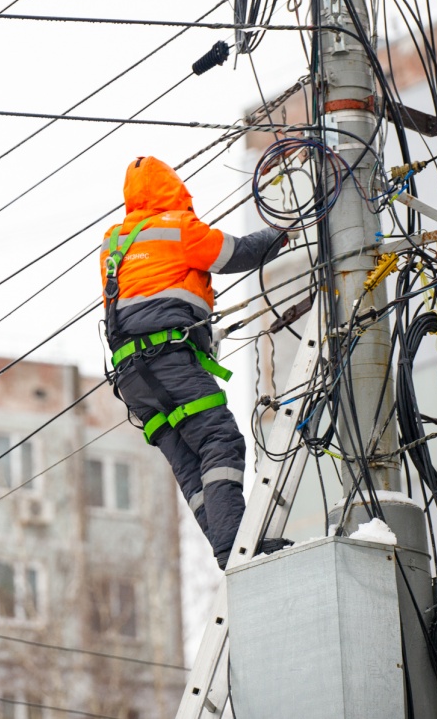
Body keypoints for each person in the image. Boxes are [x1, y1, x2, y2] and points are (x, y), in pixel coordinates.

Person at [100, 156, 290, 570]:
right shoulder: (177, 228)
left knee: (190, 462)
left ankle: (229, 547)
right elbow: (234, 254)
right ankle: (237, 549)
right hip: (169, 363)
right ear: (174, 188)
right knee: (219, 441)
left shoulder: (114, 243)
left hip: (133, 380)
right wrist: (284, 234)